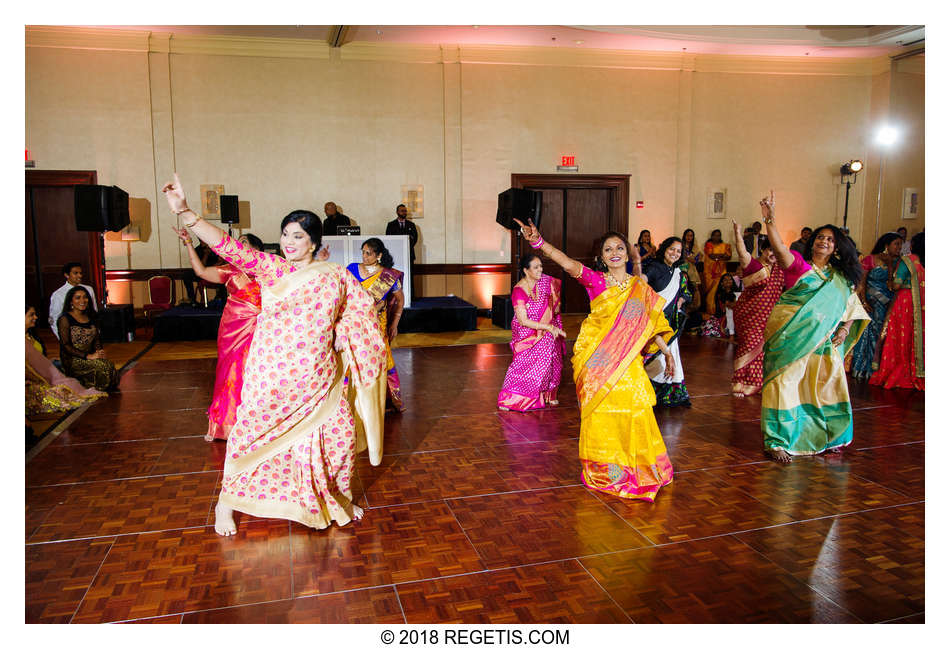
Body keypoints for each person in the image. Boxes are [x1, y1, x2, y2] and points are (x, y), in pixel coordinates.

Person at [163, 174, 386, 536]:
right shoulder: (272, 269)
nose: (288, 242)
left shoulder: (334, 276)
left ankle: (334, 498)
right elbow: (230, 248)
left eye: (297, 235)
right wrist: (186, 212)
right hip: (273, 375)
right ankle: (227, 503)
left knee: (339, 437)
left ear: (314, 242)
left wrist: (347, 336)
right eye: (285, 234)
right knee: (250, 437)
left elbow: (356, 315)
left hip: (319, 377)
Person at [514, 217, 676, 502]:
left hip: (628, 363)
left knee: (636, 408)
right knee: (602, 413)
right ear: (601, 258)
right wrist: (538, 243)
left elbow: (650, 325)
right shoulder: (595, 280)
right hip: (598, 360)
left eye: (619, 248)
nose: (614, 252)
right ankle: (609, 470)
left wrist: (665, 350)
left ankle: (639, 465)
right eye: (607, 250)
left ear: (627, 253)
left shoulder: (639, 288)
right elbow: (565, 262)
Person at [759, 191, 868, 463]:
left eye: (830, 240)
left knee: (824, 387)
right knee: (783, 386)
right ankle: (777, 440)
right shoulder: (799, 266)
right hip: (790, 341)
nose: (824, 242)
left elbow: (851, 307)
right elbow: (781, 249)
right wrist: (770, 220)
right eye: (820, 237)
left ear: (837, 248)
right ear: (812, 241)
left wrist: (844, 330)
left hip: (825, 344)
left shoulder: (840, 279)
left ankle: (831, 436)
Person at [173, 227, 265, 441]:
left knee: (257, 372)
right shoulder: (230, 270)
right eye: (238, 242)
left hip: (262, 327)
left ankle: (258, 423)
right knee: (232, 373)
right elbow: (201, 272)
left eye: (245, 242)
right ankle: (227, 425)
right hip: (234, 328)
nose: (239, 245)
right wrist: (188, 243)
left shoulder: (268, 272)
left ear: (257, 249)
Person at [497, 254, 566, 411]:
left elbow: (554, 305)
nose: (540, 270)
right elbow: (523, 321)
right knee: (522, 365)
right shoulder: (519, 291)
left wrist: (552, 320)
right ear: (526, 270)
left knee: (553, 356)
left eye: (541, 266)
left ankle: (549, 393)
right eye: (536, 267)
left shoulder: (545, 283)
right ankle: (509, 398)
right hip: (526, 333)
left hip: (545, 328)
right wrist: (548, 327)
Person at [346, 238, 406, 411]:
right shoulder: (352, 269)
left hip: (377, 323)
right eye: (363, 252)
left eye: (369, 253)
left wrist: (394, 324)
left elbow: (400, 301)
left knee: (382, 358)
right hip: (355, 322)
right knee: (355, 356)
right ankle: (353, 397)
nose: (364, 256)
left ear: (379, 255)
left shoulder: (388, 276)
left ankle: (389, 399)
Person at [730, 219, 784, 397]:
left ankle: (752, 381)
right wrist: (737, 233)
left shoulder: (780, 270)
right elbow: (742, 251)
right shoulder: (754, 266)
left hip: (769, 316)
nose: (773, 254)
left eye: (776, 251)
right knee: (749, 345)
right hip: (749, 314)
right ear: (763, 249)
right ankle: (740, 380)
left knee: (761, 349)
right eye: (770, 250)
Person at [26, 305, 105, 415]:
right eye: (31, 315)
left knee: (68, 377)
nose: (36, 317)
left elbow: (39, 358)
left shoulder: (30, 335)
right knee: (59, 394)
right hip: (33, 379)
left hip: (45, 369)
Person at [870, 231, 924, 390]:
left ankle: (901, 371)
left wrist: (891, 275)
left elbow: (896, 285)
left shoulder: (908, 260)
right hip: (922, 302)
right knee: (916, 335)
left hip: (905, 302)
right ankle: (918, 370)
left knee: (901, 336)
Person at [642, 237, 692, 407]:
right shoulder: (654, 267)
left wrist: (681, 300)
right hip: (654, 322)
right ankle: (649, 394)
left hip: (670, 322)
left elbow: (686, 293)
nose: (675, 253)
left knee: (669, 357)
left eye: (678, 251)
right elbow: (642, 282)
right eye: (672, 249)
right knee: (654, 358)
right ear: (664, 249)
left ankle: (668, 395)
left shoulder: (678, 273)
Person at [851, 232, 902, 380]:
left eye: (900, 244)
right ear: (886, 246)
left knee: (884, 333)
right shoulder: (870, 259)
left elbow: (893, 286)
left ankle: (881, 369)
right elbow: (861, 282)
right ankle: (866, 369)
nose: (899, 247)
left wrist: (891, 265)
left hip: (889, 302)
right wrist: (864, 302)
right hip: (871, 302)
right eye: (896, 244)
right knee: (871, 333)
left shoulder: (899, 263)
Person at [56, 286, 118, 391]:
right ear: (71, 301)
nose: (82, 301)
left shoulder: (90, 316)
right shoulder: (65, 319)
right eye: (78, 298)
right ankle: (87, 386)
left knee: (110, 367)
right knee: (103, 368)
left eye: (85, 297)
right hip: (73, 359)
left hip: (90, 356)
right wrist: (87, 356)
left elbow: (96, 340)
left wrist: (99, 352)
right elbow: (65, 345)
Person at [48, 262, 97, 338]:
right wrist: (62, 338)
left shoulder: (89, 289)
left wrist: (95, 332)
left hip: (89, 332)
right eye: (76, 273)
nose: (80, 275)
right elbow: (54, 319)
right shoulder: (58, 294)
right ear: (66, 275)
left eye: (80, 273)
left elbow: (94, 311)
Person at [702, 229, 732, 314]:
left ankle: (721, 310)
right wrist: (722, 255)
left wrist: (718, 257)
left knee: (722, 290)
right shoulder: (709, 245)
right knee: (711, 292)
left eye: (719, 235)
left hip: (722, 271)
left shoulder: (725, 245)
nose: (717, 237)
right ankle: (711, 310)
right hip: (710, 273)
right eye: (715, 235)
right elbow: (711, 255)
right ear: (711, 236)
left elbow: (728, 256)